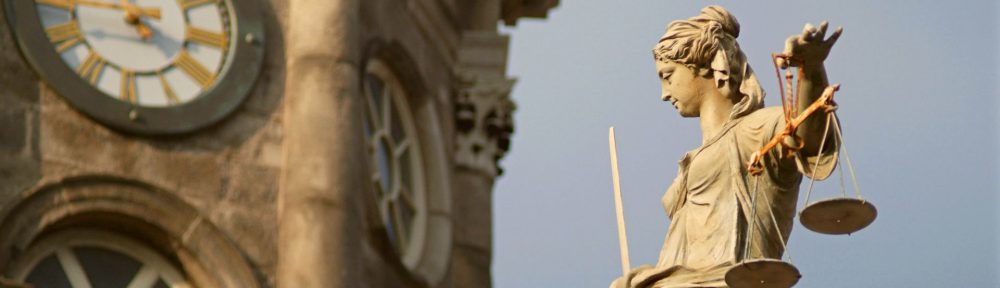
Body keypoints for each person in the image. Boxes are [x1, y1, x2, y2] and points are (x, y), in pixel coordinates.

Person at [611, 6, 843, 288]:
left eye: (668, 75)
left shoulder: (754, 131)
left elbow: (809, 135)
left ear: (704, 65)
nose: (664, 93)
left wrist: (811, 70)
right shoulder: (694, 159)